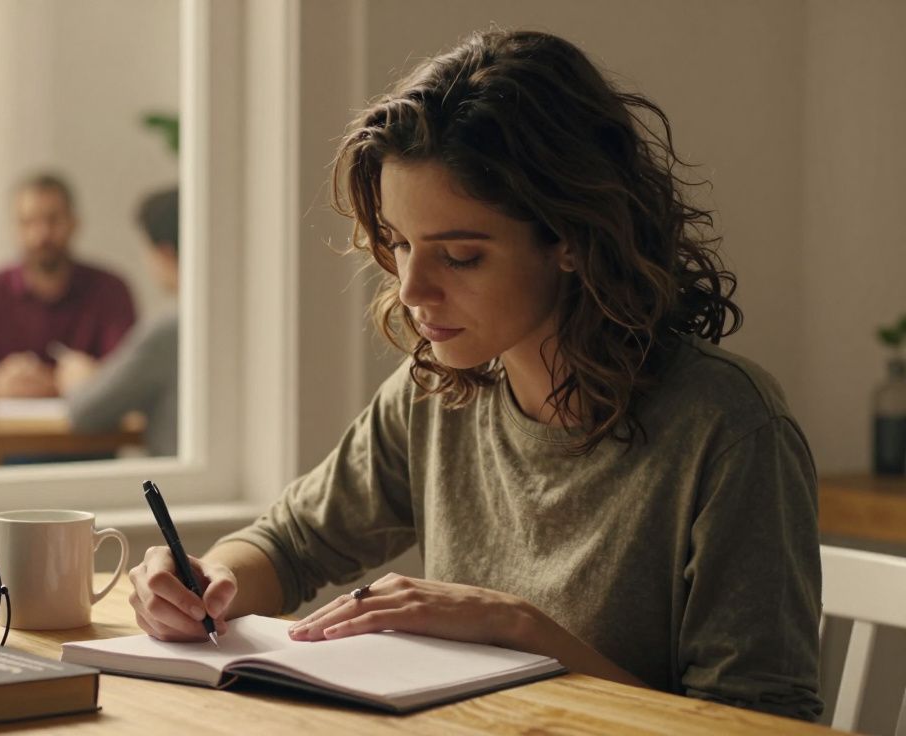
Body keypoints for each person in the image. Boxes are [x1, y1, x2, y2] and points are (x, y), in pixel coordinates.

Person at [125, 29, 822, 721]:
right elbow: (289, 544)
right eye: (398, 243)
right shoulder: (434, 396)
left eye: (459, 256)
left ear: (572, 239)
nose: (410, 289)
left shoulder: (728, 428)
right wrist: (205, 580)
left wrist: (516, 629)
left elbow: (760, 722)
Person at [0, 173, 136, 408]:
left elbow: (130, 376)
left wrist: (76, 379)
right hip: (6, 430)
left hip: (87, 429)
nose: (42, 235)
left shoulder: (110, 290)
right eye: (28, 222)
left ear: (74, 223)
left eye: (53, 220)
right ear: (14, 228)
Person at [55, 187, 179, 456]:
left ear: (165, 254)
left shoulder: (170, 330)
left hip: (179, 478)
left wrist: (79, 380)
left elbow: (86, 412)